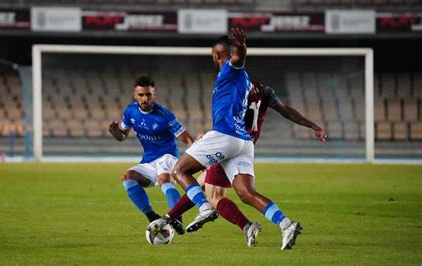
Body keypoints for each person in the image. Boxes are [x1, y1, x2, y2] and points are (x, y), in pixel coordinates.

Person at [154, 80, 327, 248]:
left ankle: (240, 223)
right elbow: (287, 111)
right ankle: (286, 224)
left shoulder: (233, 89)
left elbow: (227, 122)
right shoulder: (264, 90)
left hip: (228, 145)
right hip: (246, 146)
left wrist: (206, 140)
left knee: (212, 195)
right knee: (241, 192)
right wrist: (313, 126)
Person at [148, 27, 259, 241]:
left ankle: (207, 209)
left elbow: (238, 58)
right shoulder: (241, 80)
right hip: (240, 140)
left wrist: (242, 46)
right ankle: (173, 216)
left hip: (225, 136)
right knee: (200, 182)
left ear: (216, 55)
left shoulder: (230, 68)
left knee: (181, 172)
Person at [108, 76, 194, 235]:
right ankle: (152, 216)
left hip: (168, 157)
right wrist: (115, 132)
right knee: (128, 177)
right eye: (141, 95)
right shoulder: (130, 111)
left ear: (154, 95)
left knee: (164, 181)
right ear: (135, 95)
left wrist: (199, 158)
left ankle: (177, 218)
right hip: (148, 160)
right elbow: (122, 136)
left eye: (148, 94)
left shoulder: (165, 115)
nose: (145, 98)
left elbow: (187, 139)